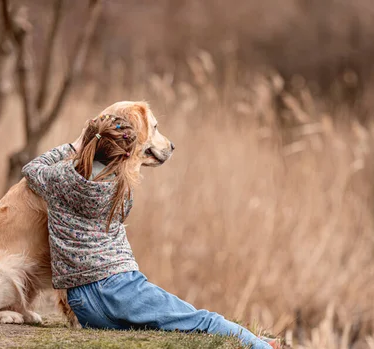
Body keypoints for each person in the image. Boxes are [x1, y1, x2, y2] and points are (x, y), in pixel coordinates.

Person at [21, 112, 279, 349]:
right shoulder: (121, 188)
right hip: (118, 289)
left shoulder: (57, 178)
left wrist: (73, 146)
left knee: (173, 323)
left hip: (83, 305)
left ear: (88, 143)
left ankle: (251, 340)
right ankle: (261, 347)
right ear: (126, 156)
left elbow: (31, 169)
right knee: (203, 321)